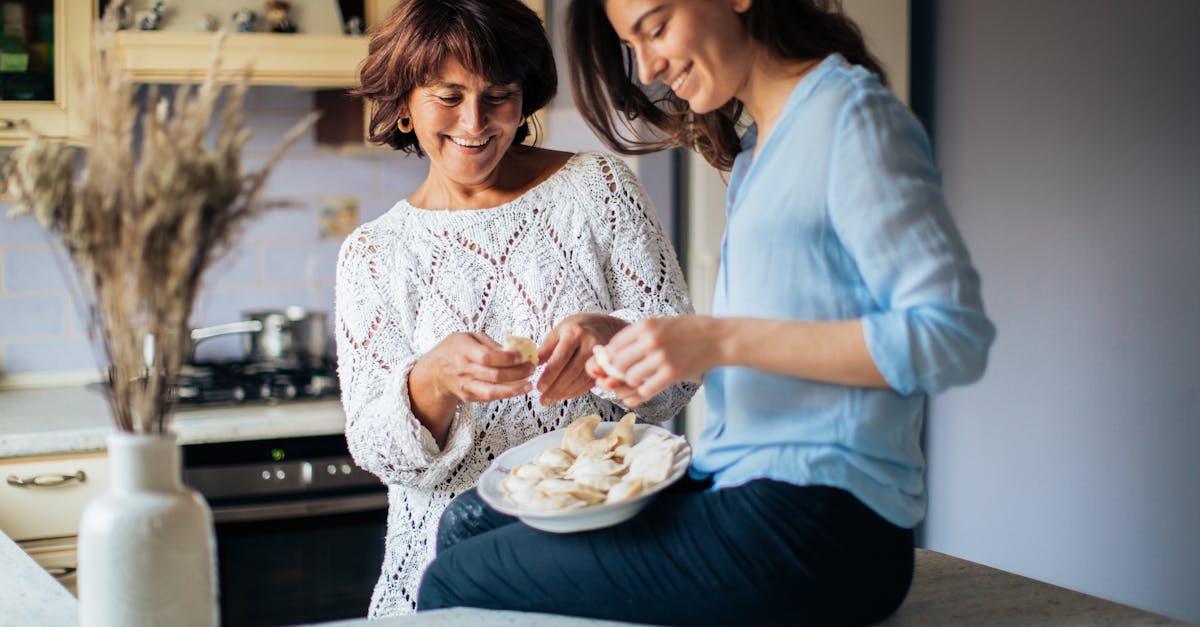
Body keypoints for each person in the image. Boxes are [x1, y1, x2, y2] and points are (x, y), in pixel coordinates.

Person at [418, 1, 996, 625]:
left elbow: (949, 336)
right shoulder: (758, 152)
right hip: (743, 486)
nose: (649, 65)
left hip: (827, 526)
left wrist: (715, 340)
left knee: (454, 580)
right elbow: (773, 333)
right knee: (469, 522)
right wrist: (629, 341)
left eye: (657, 27)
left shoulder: (850, 120)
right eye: (632, 44)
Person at [335, 0, 696, 618]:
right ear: (402, 105)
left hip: (605, 557)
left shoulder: (599, 190)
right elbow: (379, 452)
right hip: (444, 575)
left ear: (524, 99)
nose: (474, 122)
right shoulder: (373, 254)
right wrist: (432, 381)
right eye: (448, 96)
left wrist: (612, 339)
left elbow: (681, 376)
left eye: (498, 95)